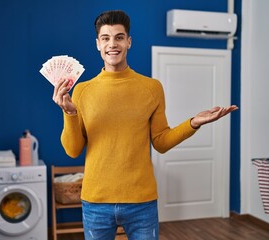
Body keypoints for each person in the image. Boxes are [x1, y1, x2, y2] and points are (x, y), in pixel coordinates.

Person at [52, 10, 238, 240]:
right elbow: (72, 150)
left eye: (119, 37)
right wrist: (69, 113)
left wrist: (193, 123)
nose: (113, 44)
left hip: (142, 202)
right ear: (98, 44)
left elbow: (160, 141)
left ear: (129, 42)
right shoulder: (82, 91)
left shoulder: (151, 88)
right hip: (96, 201)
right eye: (106, 38)